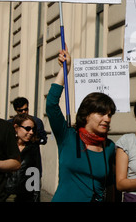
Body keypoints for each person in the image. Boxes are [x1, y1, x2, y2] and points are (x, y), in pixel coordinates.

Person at [46, 48, 116, 202]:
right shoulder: (68, 136)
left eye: (109, 114)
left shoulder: (109, 146)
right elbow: (51, 105)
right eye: (101, 113)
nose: (107, 119)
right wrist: (65, 70)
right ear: (86, 115)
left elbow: (110, 185)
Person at [5, 114, 41, 202]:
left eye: (33, 129)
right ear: (16, 127)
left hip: (25, 197)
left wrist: (36, 198)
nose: (31, 132)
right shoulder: (5, 145)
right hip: (5, 195)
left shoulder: (33, 148)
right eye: (28, 128)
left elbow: (36, 175)